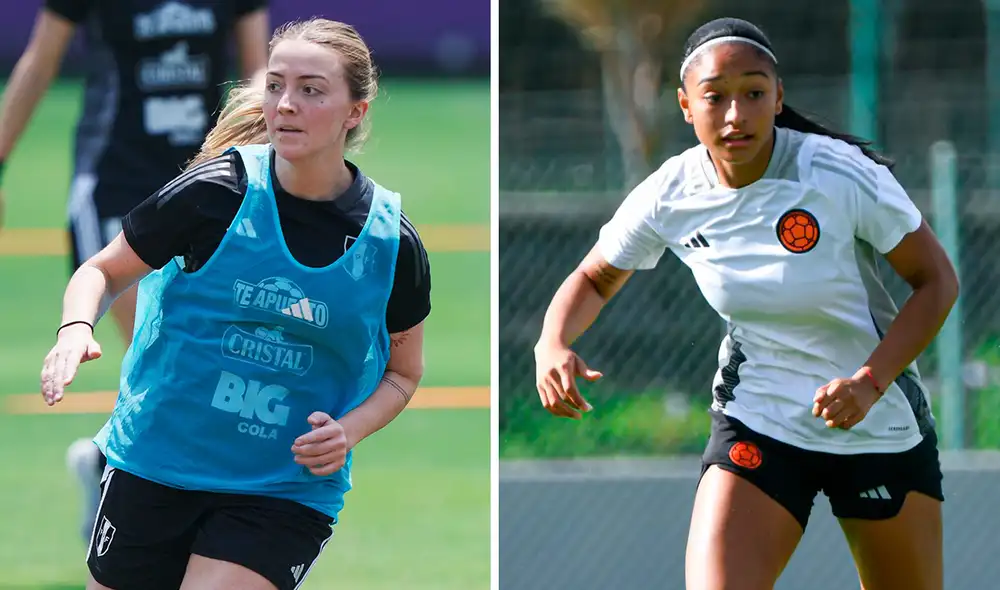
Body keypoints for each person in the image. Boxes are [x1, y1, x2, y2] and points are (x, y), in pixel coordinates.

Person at [534, 17, 957, 590]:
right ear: (686, 105)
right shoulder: (671, 192)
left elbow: (937, 282)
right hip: (759, 419)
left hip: (876, 423)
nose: (736, 115)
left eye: (754, 93)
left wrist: (869, 382)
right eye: (716, 97)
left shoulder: (834, 173)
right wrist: (552, 342)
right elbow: (595, 277)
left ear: (778, 97)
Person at [40, 17, 431, 590]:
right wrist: (75, 329)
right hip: (156, 461)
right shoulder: (215, 194)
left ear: (355, 112)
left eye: (311, 90)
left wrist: (349, 430)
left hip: (282, 488)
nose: (286, 104)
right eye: (275, 86)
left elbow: (403, 372)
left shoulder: (391, 243)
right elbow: (100, 271)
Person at [0, 0, 272, 541]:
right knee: (161, 350)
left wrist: (263, 150)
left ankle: (105, 464)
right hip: (115, 184)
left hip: (207, 181)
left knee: (206, 360)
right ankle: (139, 517)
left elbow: (256, 70)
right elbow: (39, 60)